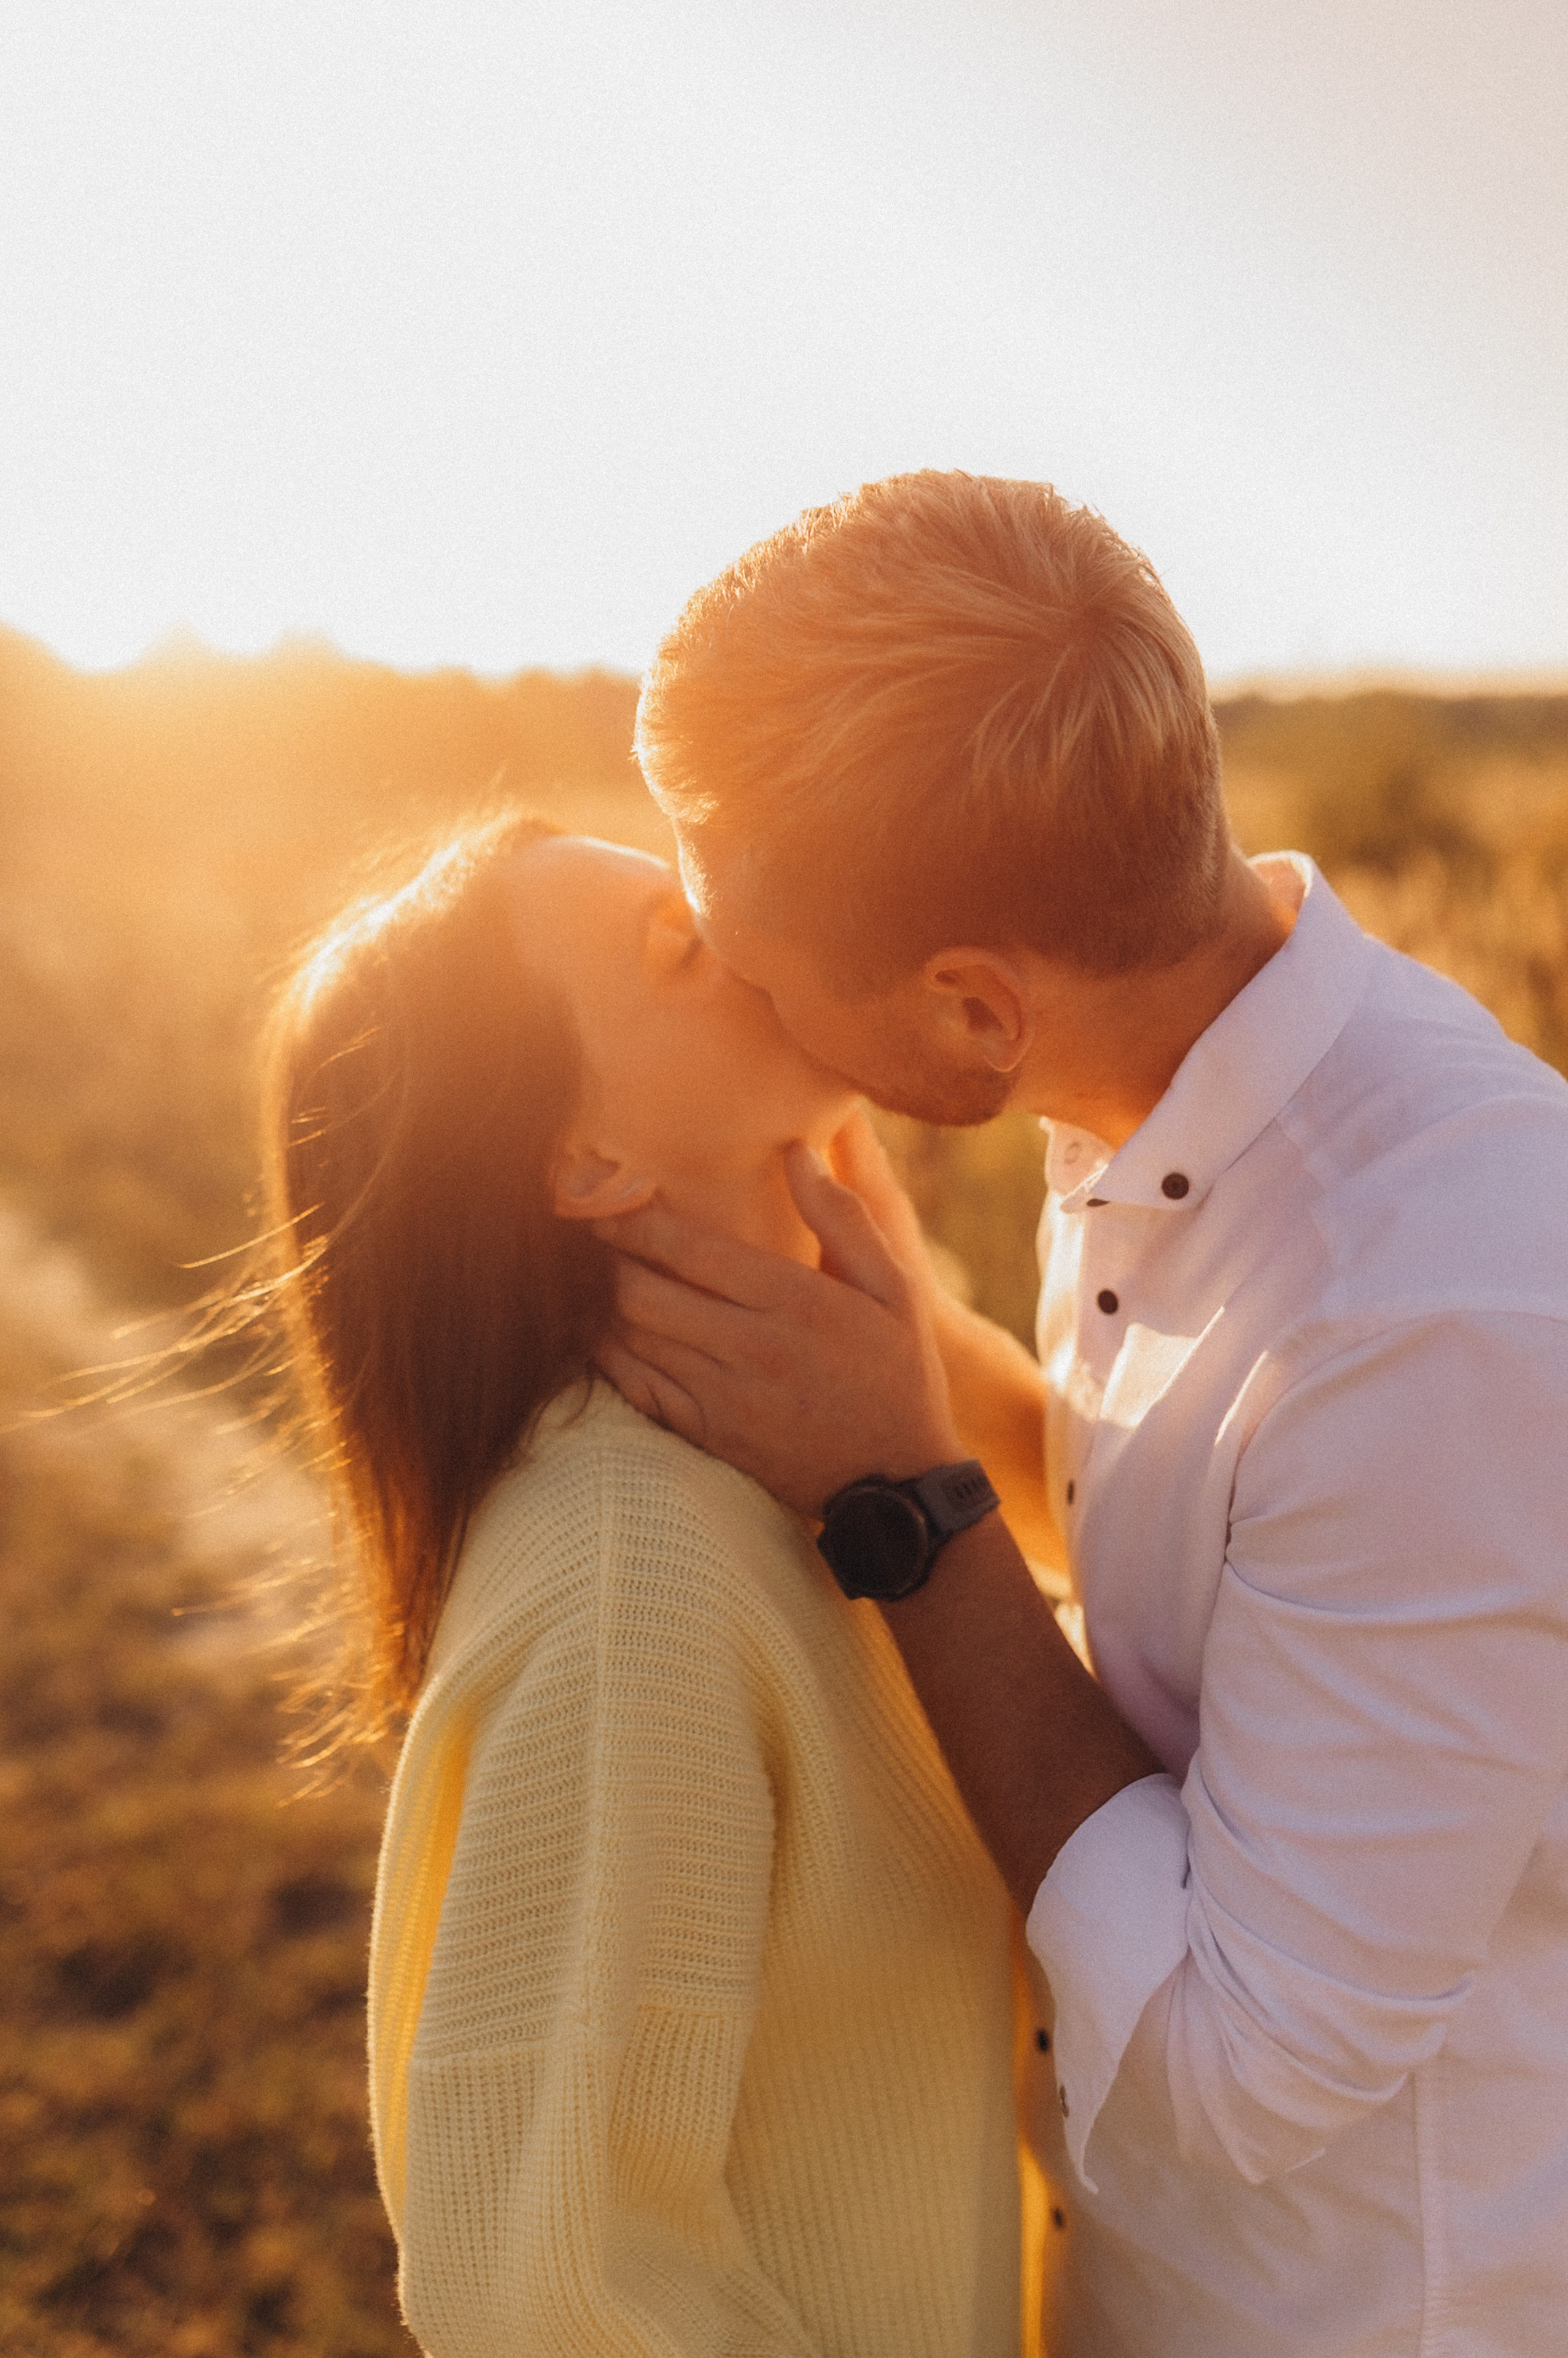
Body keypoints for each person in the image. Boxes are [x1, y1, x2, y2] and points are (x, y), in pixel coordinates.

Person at [596, 471, 1568, 2357]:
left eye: (748, 950)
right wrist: (919, 1350)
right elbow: (1207, 1549)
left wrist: (901, 1494)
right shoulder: (1178, 1070)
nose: (725, 984)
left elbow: (1245, 2065)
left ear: (972, 1011)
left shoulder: (1438, 1301)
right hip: (1132, 2267)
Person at [263, 812, 1039, 2358]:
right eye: (681, 946)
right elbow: (550, 2288)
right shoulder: (636, 1579)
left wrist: (916, 1388)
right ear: (584, 1159)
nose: (744, 933)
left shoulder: (803, 1454)